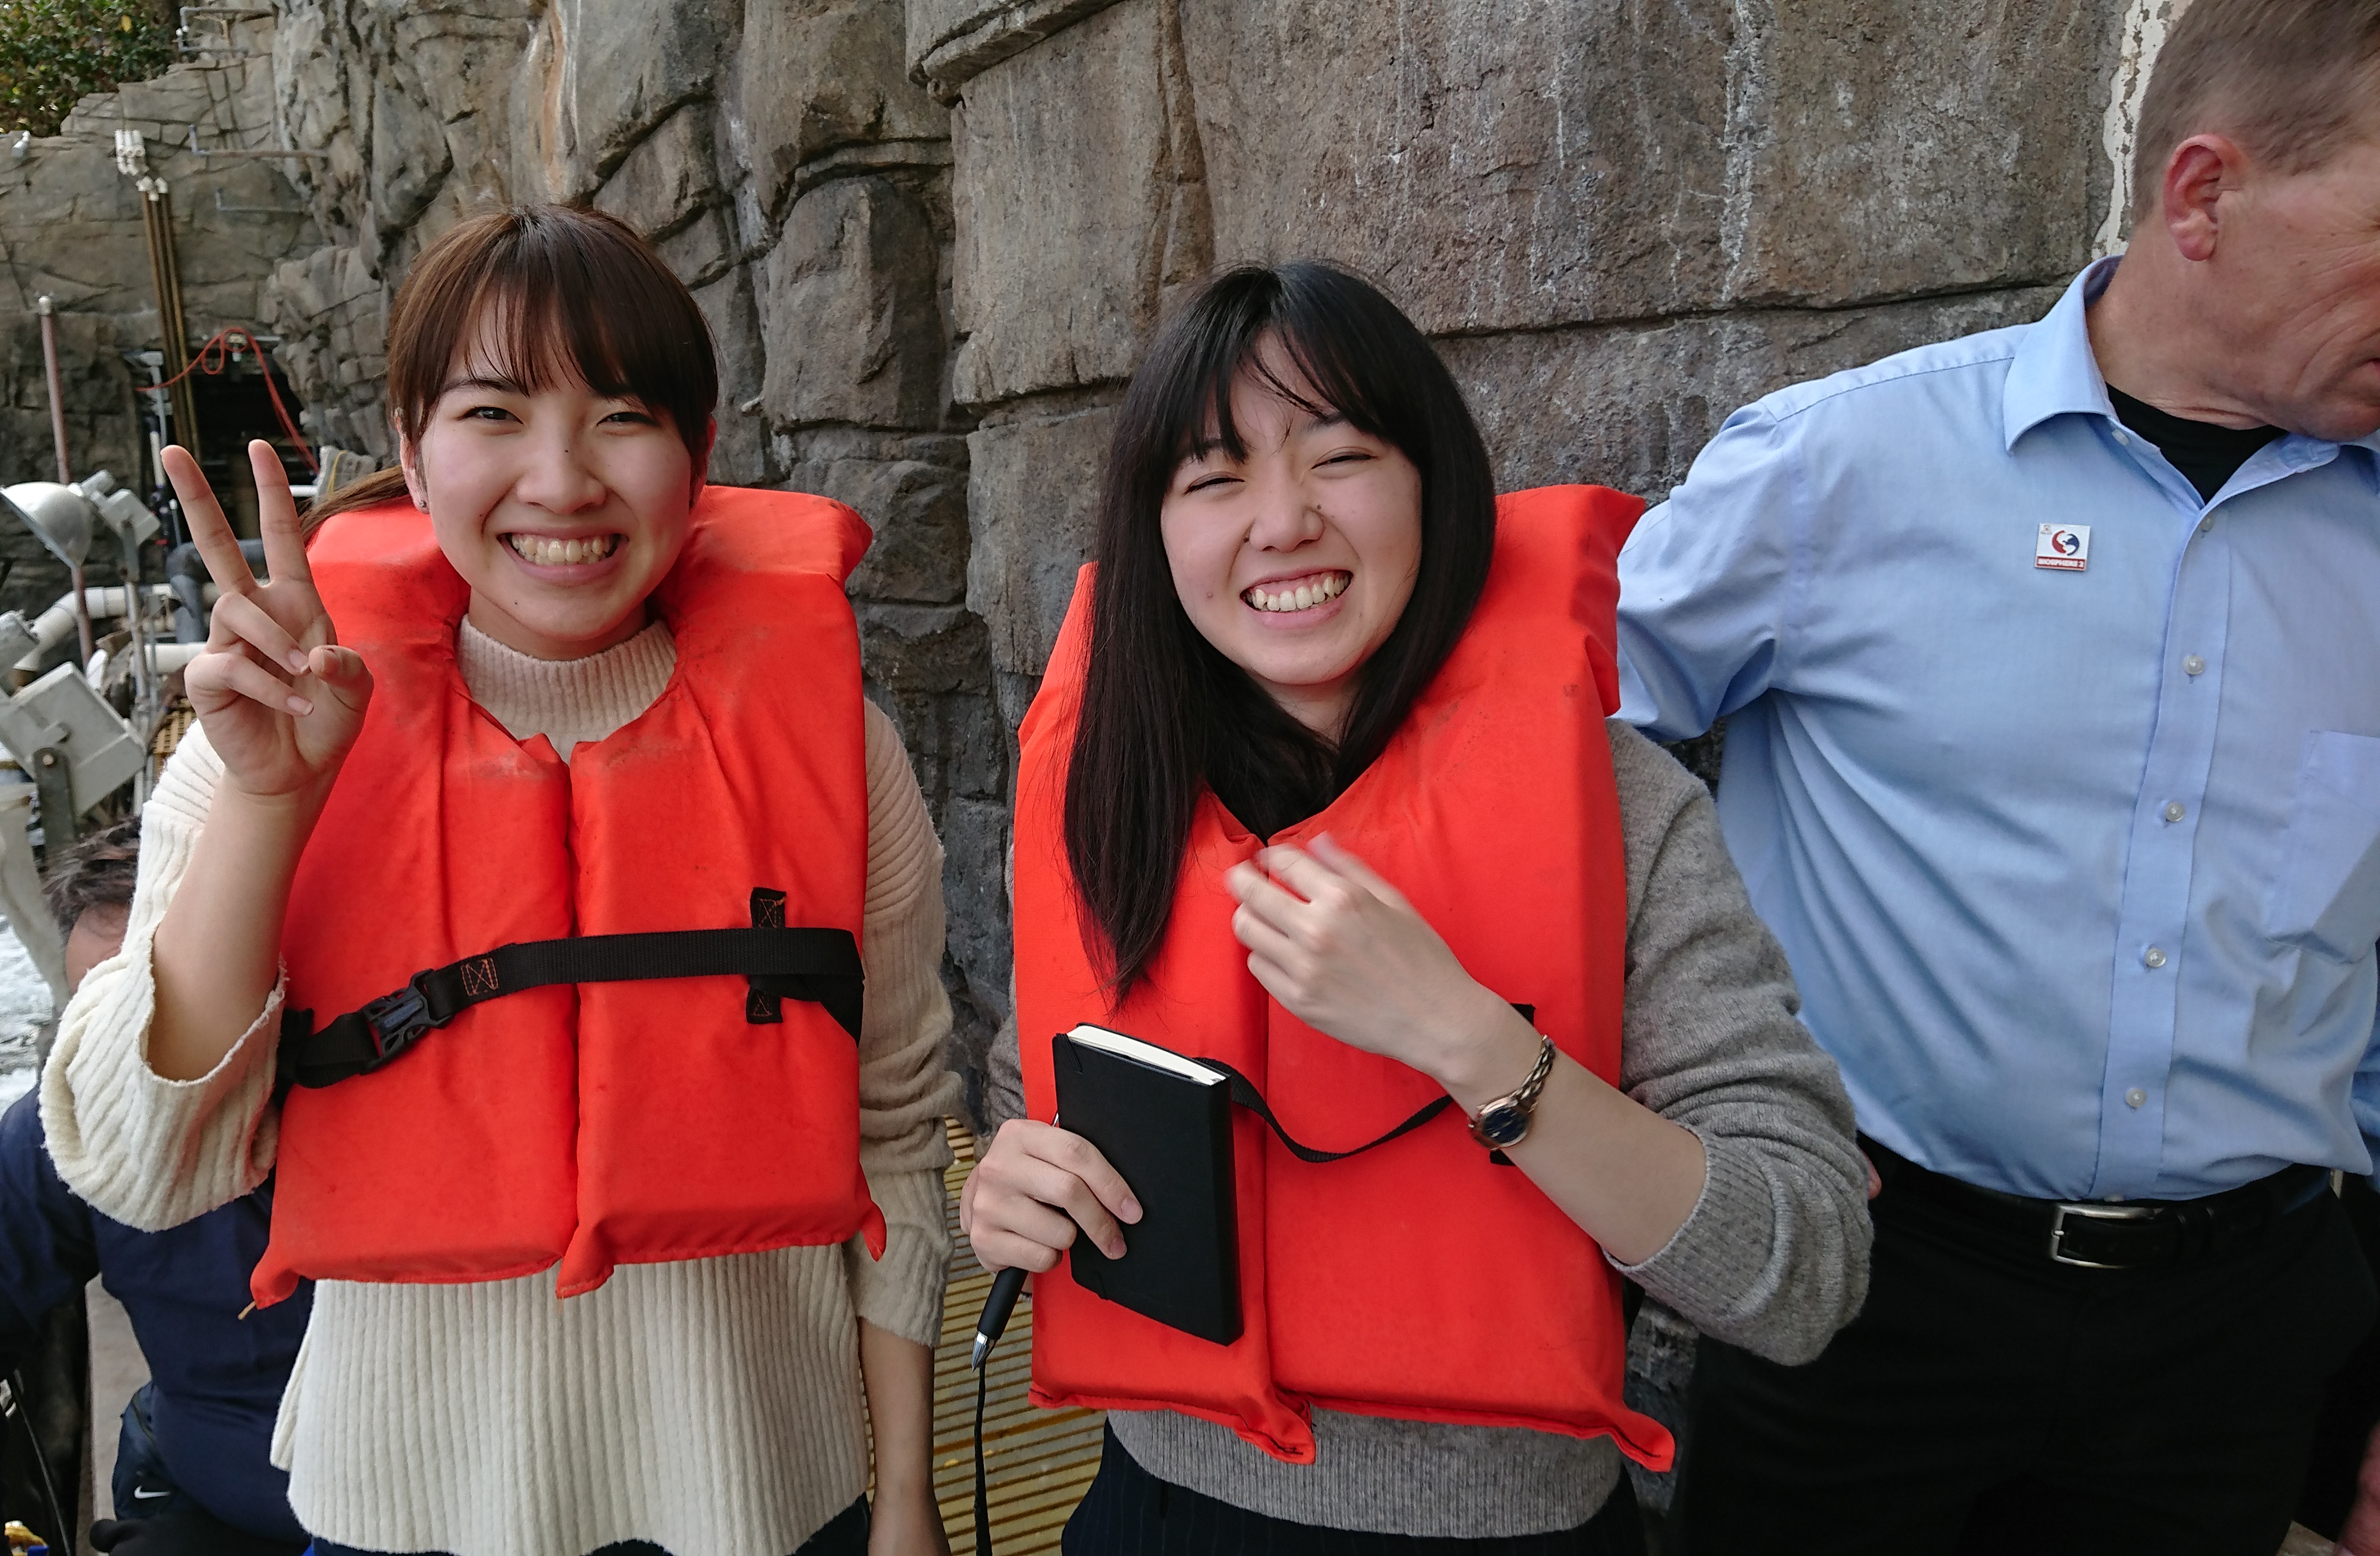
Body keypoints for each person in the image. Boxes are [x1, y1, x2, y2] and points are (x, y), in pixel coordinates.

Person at [39, 205, 961, 1556]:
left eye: (624, 417)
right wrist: (268, 798)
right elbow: (143, 1166)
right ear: (411, 453)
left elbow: (896, 1124)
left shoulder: (833, 741)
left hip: (776, 1490)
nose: (561, 479)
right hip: (405, 1507)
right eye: (493, 414)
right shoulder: (270, 739)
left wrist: (908, 1502)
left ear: (699, 456)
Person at [1612, 0, 2380, 1548]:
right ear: (2204, 195)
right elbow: (1561, 766)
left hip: (2244, 1332)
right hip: (1866, 1304)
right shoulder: (1838, 469)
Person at [959, 260, 1871, 1551]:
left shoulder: (1622, 809)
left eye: (1338, 457)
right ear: (1154, 533)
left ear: (1433, 487)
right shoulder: (1107, 784)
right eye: (1213, 479)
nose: (1279, 522)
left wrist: (1470, 1041)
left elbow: (1805, 1271)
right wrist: (1004, 1193)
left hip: (1505, 1529)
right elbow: (1025, 1099)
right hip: (1155, 1505)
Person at [0, 818, 314, 1556]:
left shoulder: (458, 1101)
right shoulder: (84, 1116)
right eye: (99, 1024)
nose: (130, 1069)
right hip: (225, 1501)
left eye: (159, 1021)